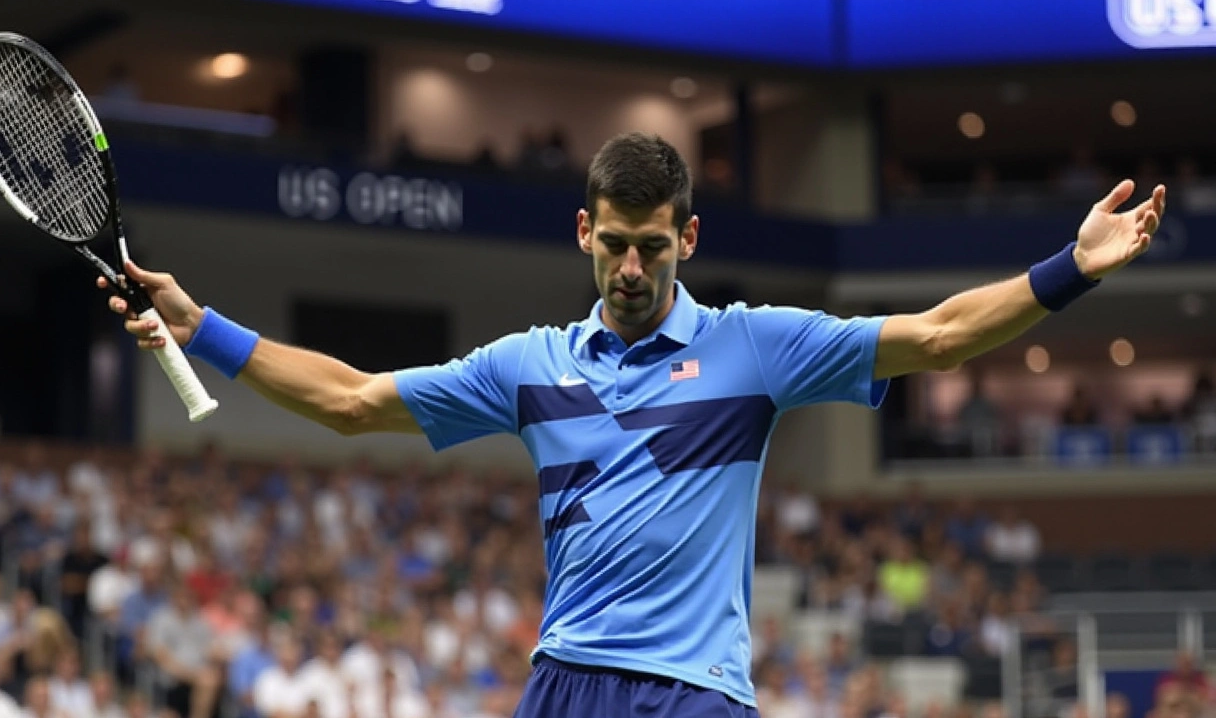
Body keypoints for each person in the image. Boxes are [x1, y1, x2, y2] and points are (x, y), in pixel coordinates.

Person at [102, 132, 1164, 718]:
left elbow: (934, 336)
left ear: (686, 238)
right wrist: (205, 329)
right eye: (612, 243)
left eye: (651, 248)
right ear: (582, 232)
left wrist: (1066, 270)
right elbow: (349, 401)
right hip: (563, 680)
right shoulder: (527, 367)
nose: (629, 269)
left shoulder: (757, 347)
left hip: (695, 694)